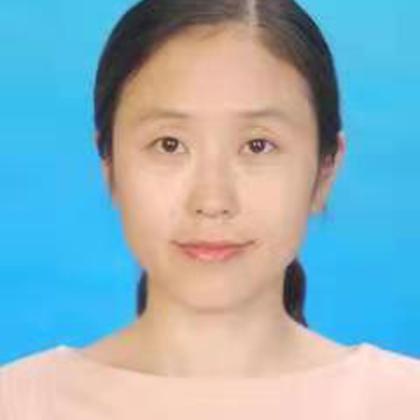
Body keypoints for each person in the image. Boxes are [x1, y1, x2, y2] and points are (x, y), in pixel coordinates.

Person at [1, 0, 419, 418]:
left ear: (325, 170)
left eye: (258, 145)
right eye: (169, 144)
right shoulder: (20, 401)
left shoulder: (401, 401)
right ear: (109, 165)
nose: (212, 201)